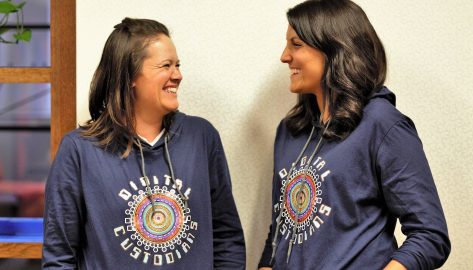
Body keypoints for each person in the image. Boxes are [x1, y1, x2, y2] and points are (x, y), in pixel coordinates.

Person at [258, 1, 450, 269]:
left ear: (333, 48)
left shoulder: (382, 125)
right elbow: (281, 229)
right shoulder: (290, 130)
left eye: (296, 44)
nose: (284, 56)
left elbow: (430, 235)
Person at [42, 18, 246, 269]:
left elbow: (227, 238)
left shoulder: (201, 137)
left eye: (178, 65)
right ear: (130, 77)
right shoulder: (79, 150)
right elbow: (59, 256)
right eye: (166, 66)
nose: (178, 75)